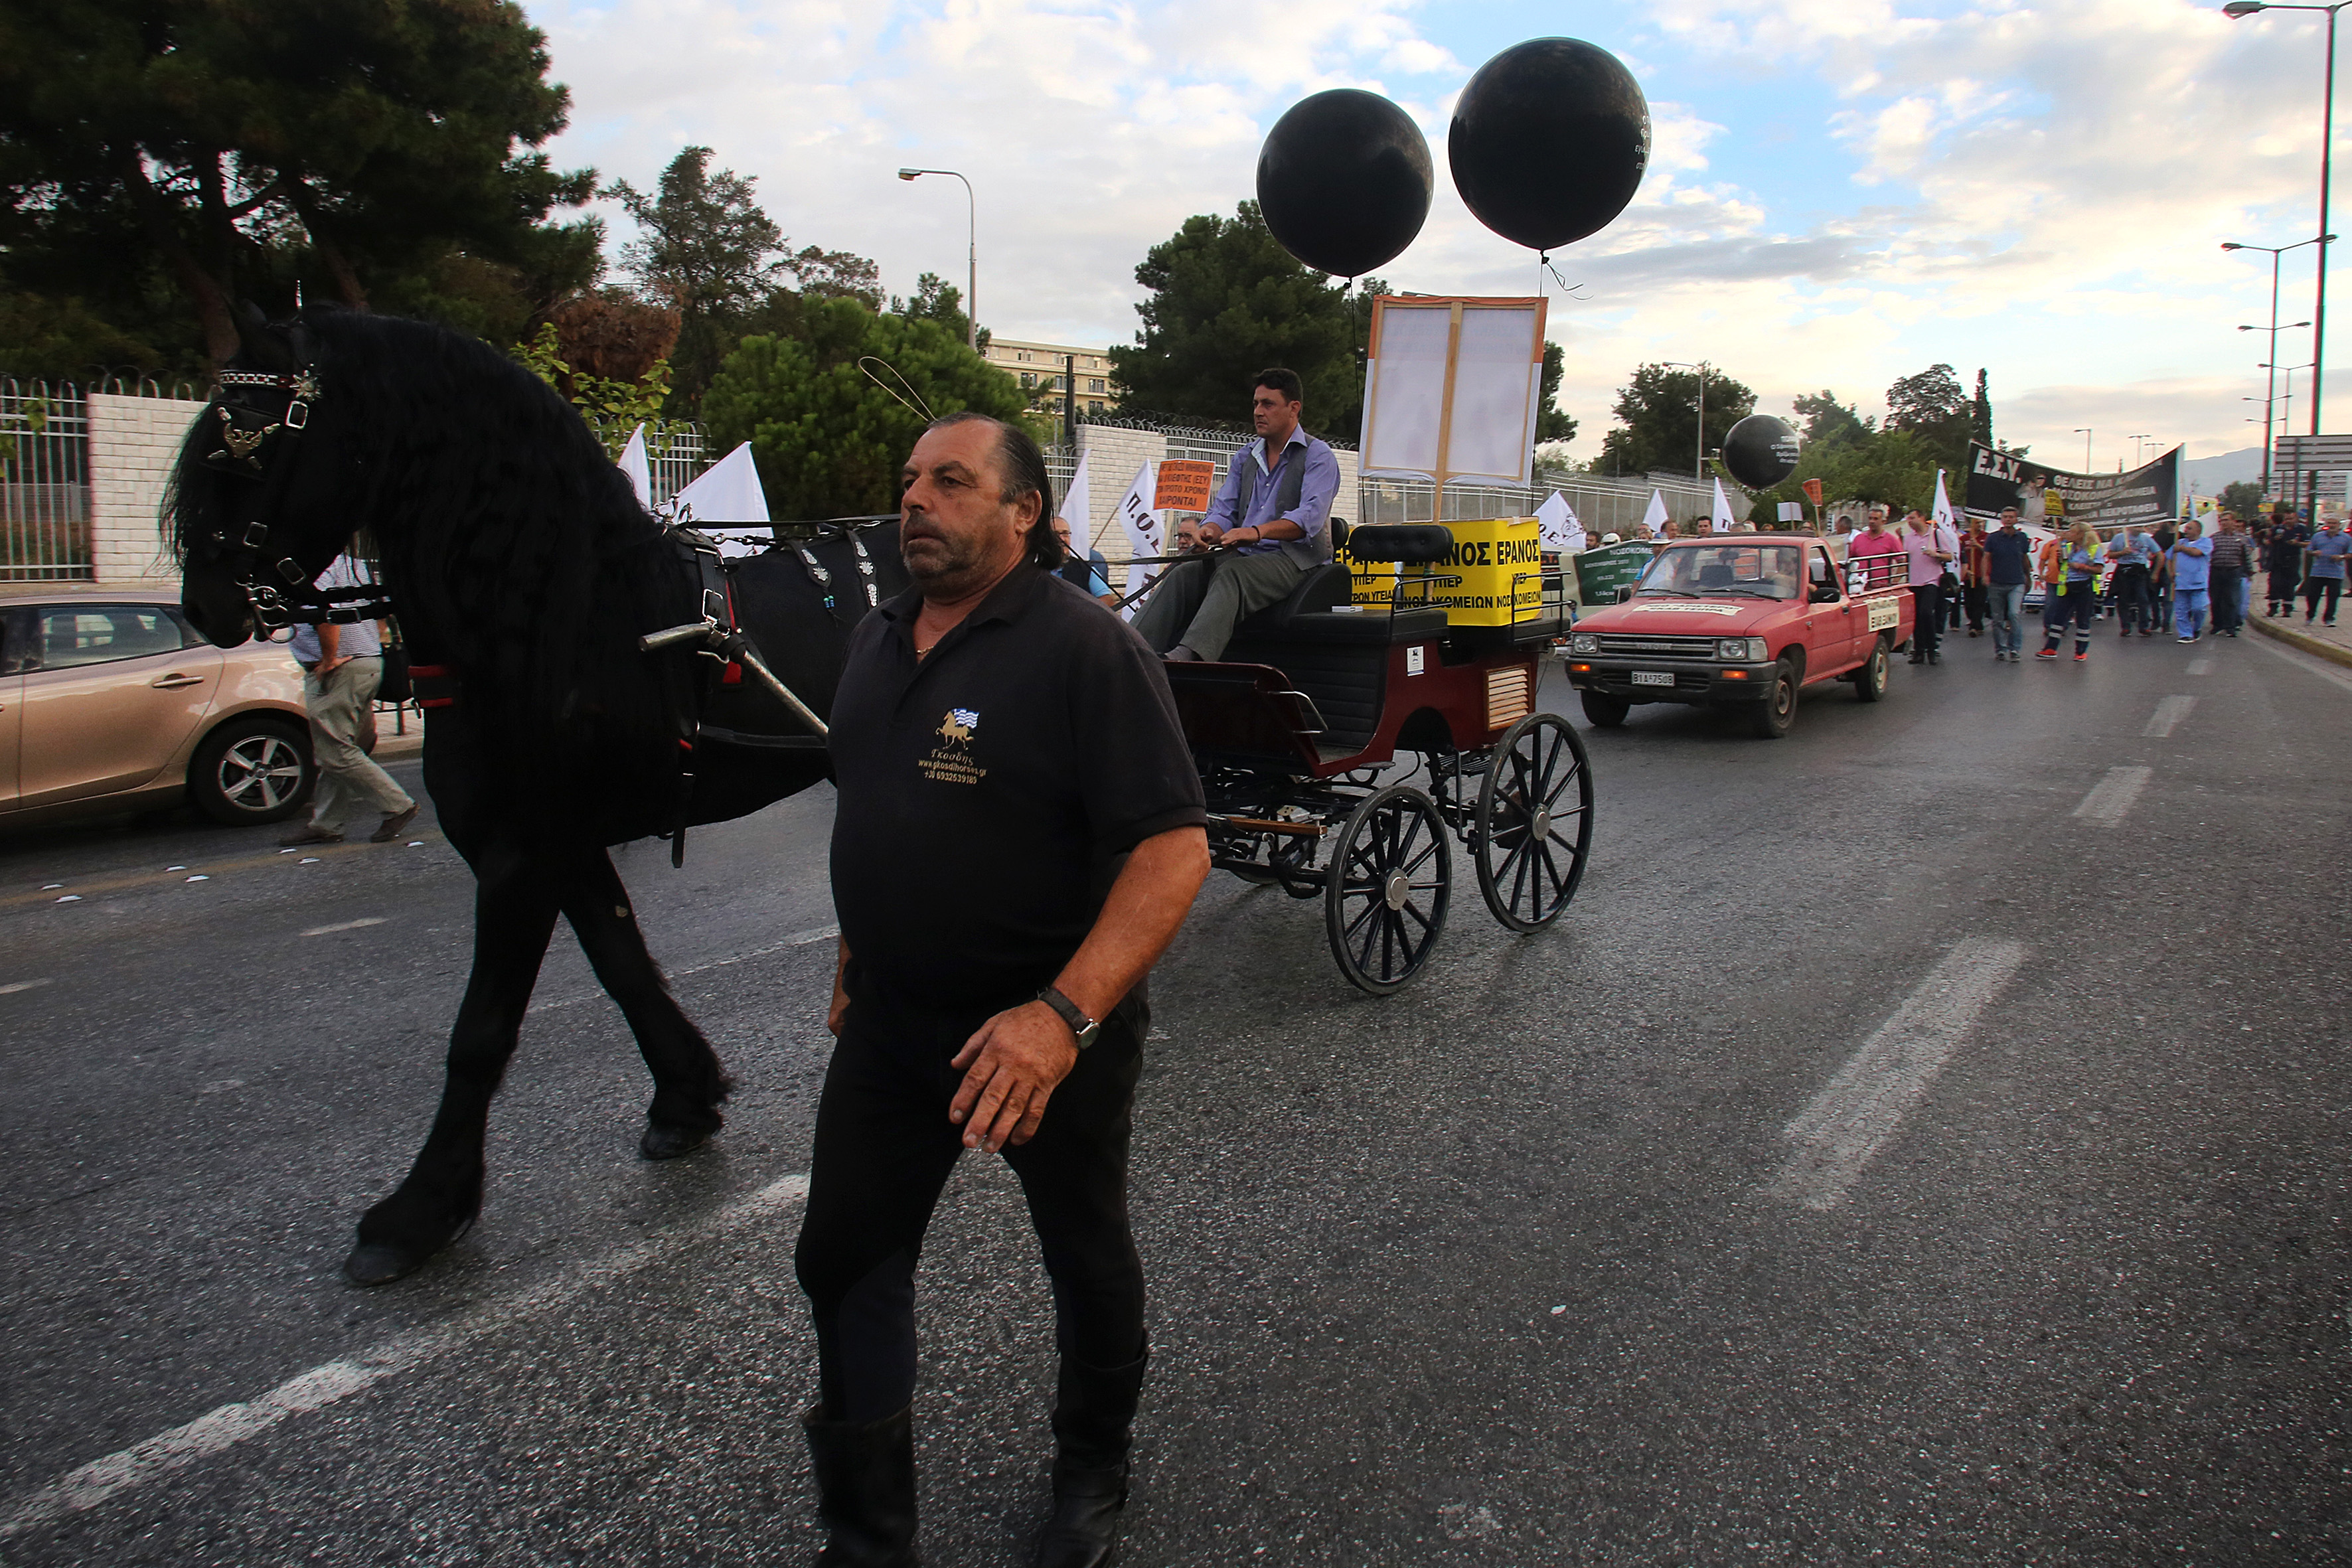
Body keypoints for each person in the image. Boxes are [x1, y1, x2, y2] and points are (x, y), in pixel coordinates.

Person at [798, 411, 1210, 1567]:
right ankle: (868, 1531)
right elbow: (877, 807)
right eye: (908, 481)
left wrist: (1060, 1017)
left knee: (1080, 1249)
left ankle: (1092, 1468)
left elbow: (1173, 851)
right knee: (843, 1252)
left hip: (1046, 1029)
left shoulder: (1086, 648)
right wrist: (853, 940)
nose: (914, 501)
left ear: (1022, 512)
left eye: (951, 482)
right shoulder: (879, 635)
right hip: (891, 1020)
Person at [1132, 368, 1338, 662]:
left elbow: (1309, 518)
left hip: (1296, 559)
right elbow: (1224, 510)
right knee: (1184, 572)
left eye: (1268, 404)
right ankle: (1130, 650)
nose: (1258, 412)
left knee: (1231, 572)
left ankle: (1190, 658)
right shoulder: (1246, 456)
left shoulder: (1319, 456)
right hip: (1248, 555)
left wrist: (1255, 532)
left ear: (1294, 409)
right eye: (1255, 404)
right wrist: (1211, 530)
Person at [278, 555, 418, 848]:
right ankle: (326, 824)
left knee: (335, 752)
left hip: (338, 669)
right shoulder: (356, 566)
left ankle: (398, 805)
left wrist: (329, 660)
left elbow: (324, 612)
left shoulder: (312, 568)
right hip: (366, 663)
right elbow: (379, 614)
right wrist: (367, 643)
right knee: (342, 747)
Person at [2036, 520, 2104, 662]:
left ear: (2081, 534)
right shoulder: (2067, 547)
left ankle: (2081, 651)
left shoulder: (2093, 548)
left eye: (2072, 532)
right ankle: (2051, 648)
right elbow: (2064, 567)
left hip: (2086, 587)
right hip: (2068, 586)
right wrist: (2061, 559)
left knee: (2083, 620)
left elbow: (2099, 569)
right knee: (2058, 618)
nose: (2068, 534)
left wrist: (2082, 567)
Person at [1901, 508, 1957, 664]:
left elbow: (1950, 556)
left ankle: (1932, 649)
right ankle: (1919, 651)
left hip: (1932, 580)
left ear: (1922, 517)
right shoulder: (1908, 538)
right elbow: (1904, 559)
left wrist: (1936, 554)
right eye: (1908, 519)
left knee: (1926, 613)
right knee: (1916, 616)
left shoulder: (1936, 534)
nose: (1910, 521)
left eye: (1913, 518)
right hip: (1914, 581)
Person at [1983, 506, 2033, 661]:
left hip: (2016, 582)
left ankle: (2015, 649)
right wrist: (1985, 575)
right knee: (1997, 618)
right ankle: (2000, 649)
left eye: (2011, 517)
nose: (2008, 519)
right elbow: (1986, 557)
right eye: (2005, 517)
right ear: (2001, 519)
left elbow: (2024, 557)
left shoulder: (2022, 537)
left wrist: (2028, 576)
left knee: (2013, 614)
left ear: (2016, 519)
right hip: (1997, 582)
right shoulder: (1993, 538)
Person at [2103, 520, 2160, 638]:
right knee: (2123, 599)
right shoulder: (2119, 537)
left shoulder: (2147, 538)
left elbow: (2160, 555)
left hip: (2140, 571)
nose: (2139, 527)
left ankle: (2144, 627)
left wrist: (2156, 573)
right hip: (2124, 570)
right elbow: (2110, 554)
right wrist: (2122, 553)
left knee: (2143, 599)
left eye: (2141, 525)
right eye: (2137, 525)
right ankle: (2125, 627)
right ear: (2130, 526)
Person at [2207, 510, 2256, 638]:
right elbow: (2208, 556)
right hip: (2217, 571)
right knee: (2216, 599)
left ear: (2233, 522)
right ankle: (2217, 625)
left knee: (2232, 600)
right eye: (2222, 521)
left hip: (2233, 572)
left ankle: (2231, 626)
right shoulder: (2214, 538)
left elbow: (2246, 557)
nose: (2224, 523)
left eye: (2226, 520)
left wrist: (2249, 572)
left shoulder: (2241, 539)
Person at [1050, 515, 1117, 608]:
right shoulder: (1031, 567)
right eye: (1055, 534)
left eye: (1065, 534)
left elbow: (1107, 600)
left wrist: (1080, 611)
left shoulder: (1084, 568)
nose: (1062, 539)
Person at [2169, 518, 2214, 643]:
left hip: (2198, 583)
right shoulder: (2179, 542)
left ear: (2198, 530)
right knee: (2181, 610)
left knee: (2199, 609)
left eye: (2189, 528)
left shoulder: (2206, 542)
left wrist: (2182, 549)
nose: (2186, 530)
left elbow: (2197, 553)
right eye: (2186, 528)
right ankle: (2185, 634)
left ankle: (2197, 628)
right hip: (2181, 583)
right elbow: (2169, 558)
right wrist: (2171, 572)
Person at [1847, 507, 1905, 592]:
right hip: (1860, 587)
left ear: (1883, 521)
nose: (1872, 521)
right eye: (1870, 518)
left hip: (1882, 587)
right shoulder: (1859, 538)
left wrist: (1894, 583)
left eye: (1876, 519)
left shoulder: (1891, 540)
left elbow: (1902, 563)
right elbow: (1850, 561)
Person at [2265, 509, 2310, 618]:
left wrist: (2297, 543)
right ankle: (2273, 608)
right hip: (2278, 559)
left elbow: (2308, 544)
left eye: (2291, 519)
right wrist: (2275, 539)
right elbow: (2268, 541)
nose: (2288, 521)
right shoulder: (2278, 529)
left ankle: (2288, 609)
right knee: (2274, 584)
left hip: (2292, 560)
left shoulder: (2301, 529)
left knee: (2289, 585)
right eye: (2286, 519)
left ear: (2296, 519)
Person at [2308, 514, 2350, 625]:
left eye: (2334, 523)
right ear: (2325, 524)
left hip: (2335, 573)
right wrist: (2314, 553)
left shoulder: (2346, 538)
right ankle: (2310, 615)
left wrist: (2341, 557)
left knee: (2333, 597)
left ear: (2339, 525)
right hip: (2318, 572)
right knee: (2312, 596)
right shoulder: (2317, 536)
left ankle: (2329, 618)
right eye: (2329, 523)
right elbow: (2309, 550)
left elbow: (2350, 554)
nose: (2331, 526)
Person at [1958, 517, 1990, 636]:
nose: (1980, 525)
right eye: (1977, 523)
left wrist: (1977, 545)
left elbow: (1989, 554)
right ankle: (1975, 622)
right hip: (1969, 575)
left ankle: (1975, 626)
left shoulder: (1987, 537)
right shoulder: (1964, 539)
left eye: (1981, 523)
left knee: (1980, 601)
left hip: (1981, 574)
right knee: (1969, 602)